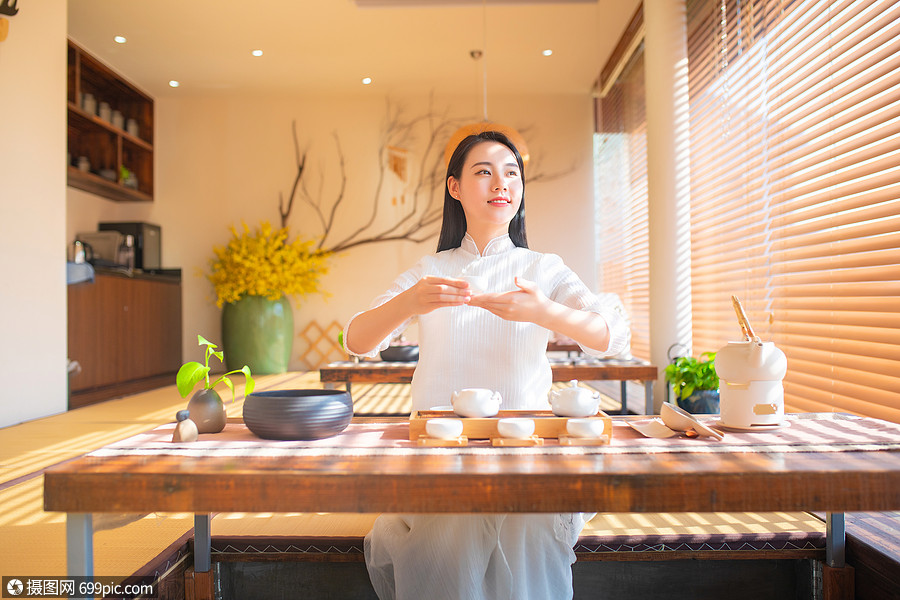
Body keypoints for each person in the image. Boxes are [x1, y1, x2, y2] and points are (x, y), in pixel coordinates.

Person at [344, 131, 630, 600]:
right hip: (440, 457)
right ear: (454, 187)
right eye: (485, 171)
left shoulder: (543, 267)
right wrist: (409, 302)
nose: (503, 183)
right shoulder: (430, 269)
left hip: (530, 458)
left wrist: (545, 313)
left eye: (512, 172)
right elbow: (356, 340)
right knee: (453, 523)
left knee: (523, 524)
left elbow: (610, 337)